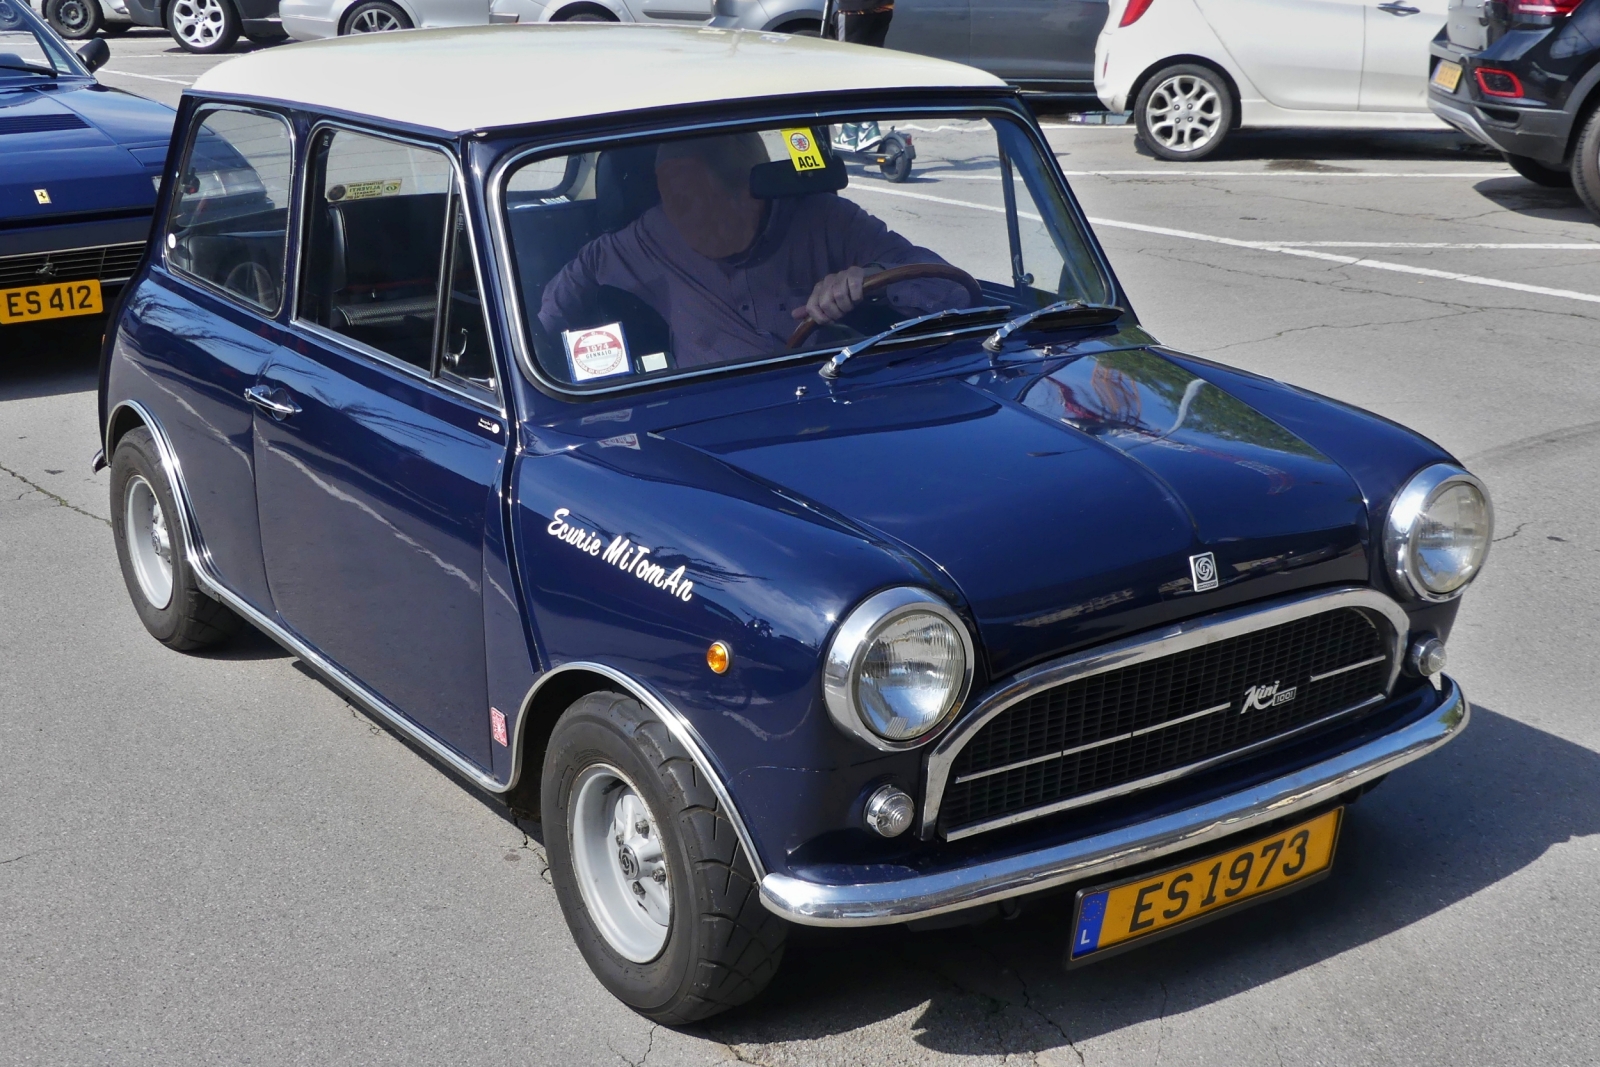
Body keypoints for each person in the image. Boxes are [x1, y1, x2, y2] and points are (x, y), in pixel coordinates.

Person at [537, 133, 967, 370]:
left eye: (688, 199)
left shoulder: (827, 220)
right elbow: (577, 278)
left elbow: (952, 294)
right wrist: (543, 345)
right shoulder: (650, 236)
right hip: (709, 427)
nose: (674, 216)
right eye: (667, 200)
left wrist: (868, 278)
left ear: (749, 192)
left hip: (831, 404)